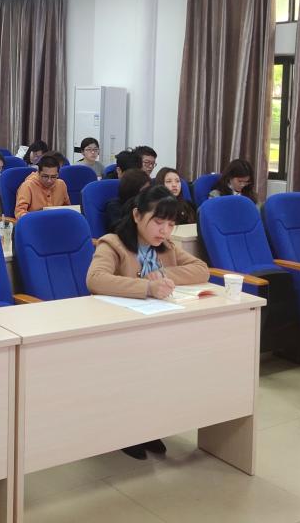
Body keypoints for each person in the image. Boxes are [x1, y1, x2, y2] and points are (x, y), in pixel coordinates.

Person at [86, 185, 209, 459]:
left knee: (163, 371)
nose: (164, 230)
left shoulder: (167, 247)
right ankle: (126, 431)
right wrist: (146, 286)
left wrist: (163, 274)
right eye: (158, 221)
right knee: (134, 371)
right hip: (119, 329)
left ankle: (148, 426)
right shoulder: (113, 244)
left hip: (156, 325)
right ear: (136, 215)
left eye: (171, 224)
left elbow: (201, 270)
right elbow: (95, 279)